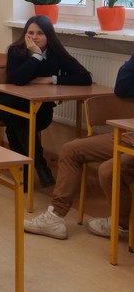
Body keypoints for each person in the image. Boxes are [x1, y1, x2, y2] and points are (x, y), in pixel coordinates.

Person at [24, 52, 134, 240]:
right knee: (71, 150)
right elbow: (122, 87)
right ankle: (55, 217)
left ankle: (121, 224)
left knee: (108, 171)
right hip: (130, 134)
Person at [0, 15, 92, 188]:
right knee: (20, 120)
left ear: (49, 35)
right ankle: (40, 166)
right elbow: (17, 79)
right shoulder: (16, 50)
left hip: (41, 110)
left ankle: (25, 174)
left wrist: (52, 79)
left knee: (16, 127)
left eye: (40, 33)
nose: (34, 37)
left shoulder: (56, 53)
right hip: (10, 104)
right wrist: (36, 56)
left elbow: (85, 77)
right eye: (30, 33)